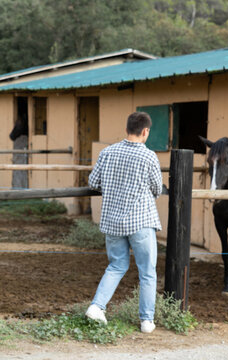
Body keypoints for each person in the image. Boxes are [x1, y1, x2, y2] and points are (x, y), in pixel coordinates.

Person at [85, 111, 162, 334]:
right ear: (145, 131)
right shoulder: (148, 156)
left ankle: (97, 307)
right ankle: (146, 321)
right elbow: (157, 188)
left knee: (116, 266)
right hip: (140, 222)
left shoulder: (107, 152)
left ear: (127, 128)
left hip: (112, 221)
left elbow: (93, 182)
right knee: (147, 272)